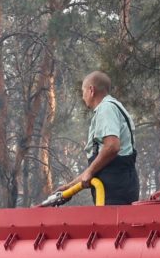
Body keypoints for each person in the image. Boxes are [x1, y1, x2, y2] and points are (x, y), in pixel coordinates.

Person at [59, 70, 139, 205]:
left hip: (115, 188)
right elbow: (100, 163)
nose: (83, 97)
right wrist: (69, 187)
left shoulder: (106, 108)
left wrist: (90, 171)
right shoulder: (113, 107)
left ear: (91, 90)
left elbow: (112, 146)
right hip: (120, 184)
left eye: (83, 91)